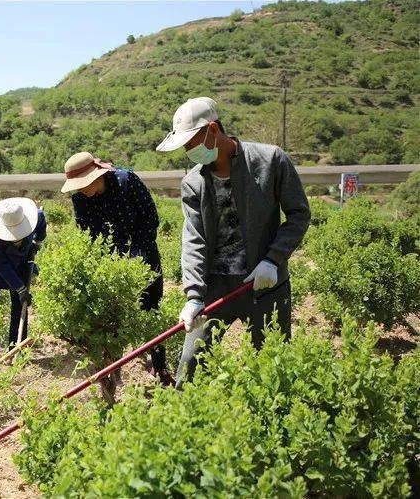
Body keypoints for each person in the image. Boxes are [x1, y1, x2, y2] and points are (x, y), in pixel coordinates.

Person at [156, 97, 311, 389]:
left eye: (192, 143)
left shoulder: (271, 161)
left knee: (273, 371)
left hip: (265, 285)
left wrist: (272, 260)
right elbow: (194, 239)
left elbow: (299, 214)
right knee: (190, 370)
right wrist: (193, 296)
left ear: (213, 129)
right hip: (216, 288)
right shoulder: (193, 183)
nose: (189, 151)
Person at [61, 151, 174, 389]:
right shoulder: (80, 200)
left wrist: (136, 260)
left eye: (83, 185)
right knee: (110, 318)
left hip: (143, 255)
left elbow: (150, 219)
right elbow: (87, 238)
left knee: (150, 310)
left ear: (96, 176)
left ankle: (160, 366)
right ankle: (112, 369)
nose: (81, 190)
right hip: (109, 264)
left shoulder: (126, 181)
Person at [0, 197, 46, 365]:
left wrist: (37, 240)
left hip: (21, 264)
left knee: (19, 307)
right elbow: (1, 266)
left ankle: (16, 348)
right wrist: (20, 287)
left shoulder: (33, 218)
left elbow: (41, 218)